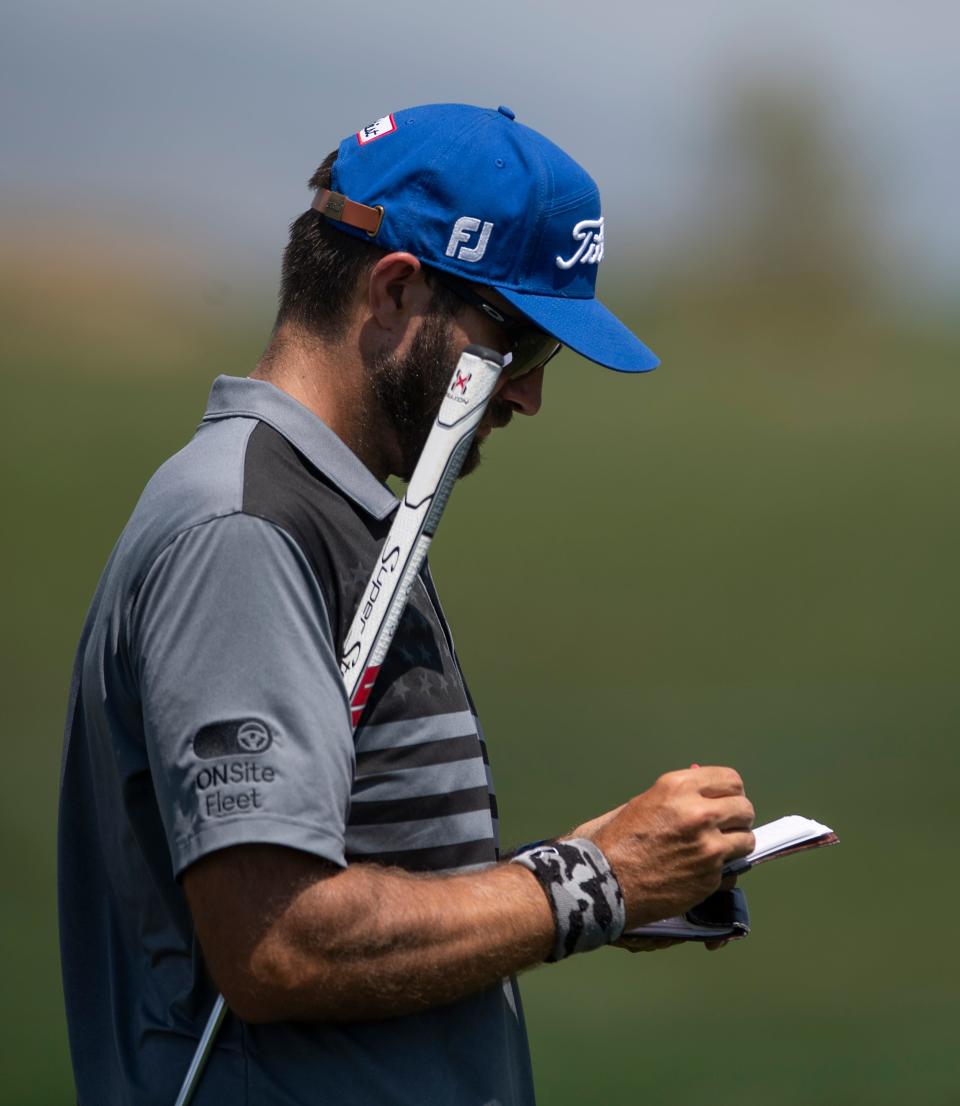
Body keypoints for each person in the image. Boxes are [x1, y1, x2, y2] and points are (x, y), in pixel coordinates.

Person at [58, 102, 755, 1106]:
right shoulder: (247, 529)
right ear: (393, 291)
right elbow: (277, 944)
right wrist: (583, 883)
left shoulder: (336, 510)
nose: (527, 396)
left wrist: (599, 879)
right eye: (517, 345)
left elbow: (343, 877)